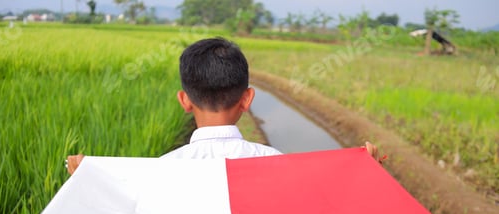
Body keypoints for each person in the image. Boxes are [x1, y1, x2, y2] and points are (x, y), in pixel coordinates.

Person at [66, 37, 380, 174]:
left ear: (184, 101)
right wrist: (363, 172)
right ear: (247, 100)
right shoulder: (274, 163)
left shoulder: (163, 169)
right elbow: (319, 205)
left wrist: (87, 176)